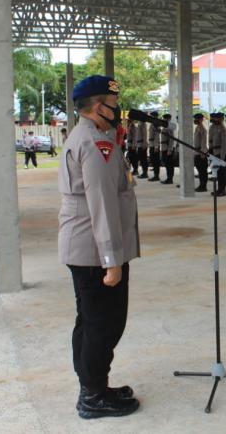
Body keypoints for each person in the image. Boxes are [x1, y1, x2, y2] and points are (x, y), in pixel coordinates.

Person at [59, 75, 140, 419]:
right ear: (97, 106)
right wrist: (112, 259)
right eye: (112, 102)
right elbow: (102, 203)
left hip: (84, 246)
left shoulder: (91, 136)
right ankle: (92, 396)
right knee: (104, 323)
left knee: (92, 321)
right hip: (94, 251)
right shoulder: (95, 143)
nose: (117, 108)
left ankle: (93, 385)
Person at [209, 113, 226, 197]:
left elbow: (224, 144)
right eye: (215, 118)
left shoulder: (223, 129)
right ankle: (219, 189)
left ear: (221, 119)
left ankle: (222, 190)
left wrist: (222, 157)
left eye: (217, 118)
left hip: (221, 153)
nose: (215, 120)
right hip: (215, 152)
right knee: (217, 172)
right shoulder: (214, 127)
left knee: (222, 173)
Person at [160, 113, 178, 184]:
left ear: (169, 119)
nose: (164, 120)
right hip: (164, 148)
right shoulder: (165, 127)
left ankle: (170, 179)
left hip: (167, 148)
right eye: (164, 118)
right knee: (167, 164)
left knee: (169, 165)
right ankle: (168, 178)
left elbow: (171, 139)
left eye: (166, 118)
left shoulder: (169, 127)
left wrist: (170, 149)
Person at [193, 113, 209, 192]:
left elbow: (204, 142)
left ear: (201, 120)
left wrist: (203, 153)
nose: (196, 120)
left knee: (203, 171)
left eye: (198, 119)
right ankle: (201, 185)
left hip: (201, 152)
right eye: (195, 119)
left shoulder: (203, 129)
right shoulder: (197, 128)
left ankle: (203, 186)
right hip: (197, 152)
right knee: (199, 170)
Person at [148, 111, 161, 182]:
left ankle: (156, 176)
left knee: (156, 161)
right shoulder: (153, 124)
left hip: (154, 145)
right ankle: (155, 175)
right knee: (153, 160)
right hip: (152, 144)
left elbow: (157, 136)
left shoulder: (156, 124)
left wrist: (156, 146)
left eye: (152, 116)